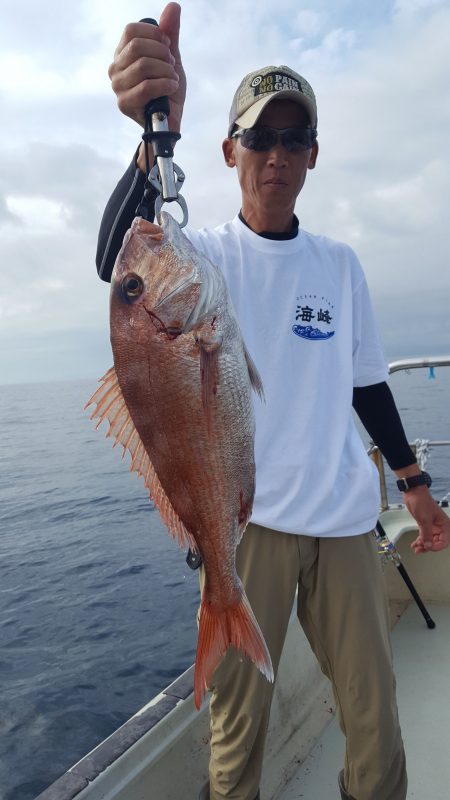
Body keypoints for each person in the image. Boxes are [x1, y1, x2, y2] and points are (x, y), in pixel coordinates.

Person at [96, 5, 450, 799]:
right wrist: (153, 139)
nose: (277, 154)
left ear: (314, 155)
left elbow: (368, 386)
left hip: (348, 526)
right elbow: (119, 257)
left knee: (377, 724)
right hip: (245, 529)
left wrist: (416, 490)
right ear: (230, 151)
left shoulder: (341, 263)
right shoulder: (203, 255)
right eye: (260, 137)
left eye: (295, 139)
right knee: (237, 737)